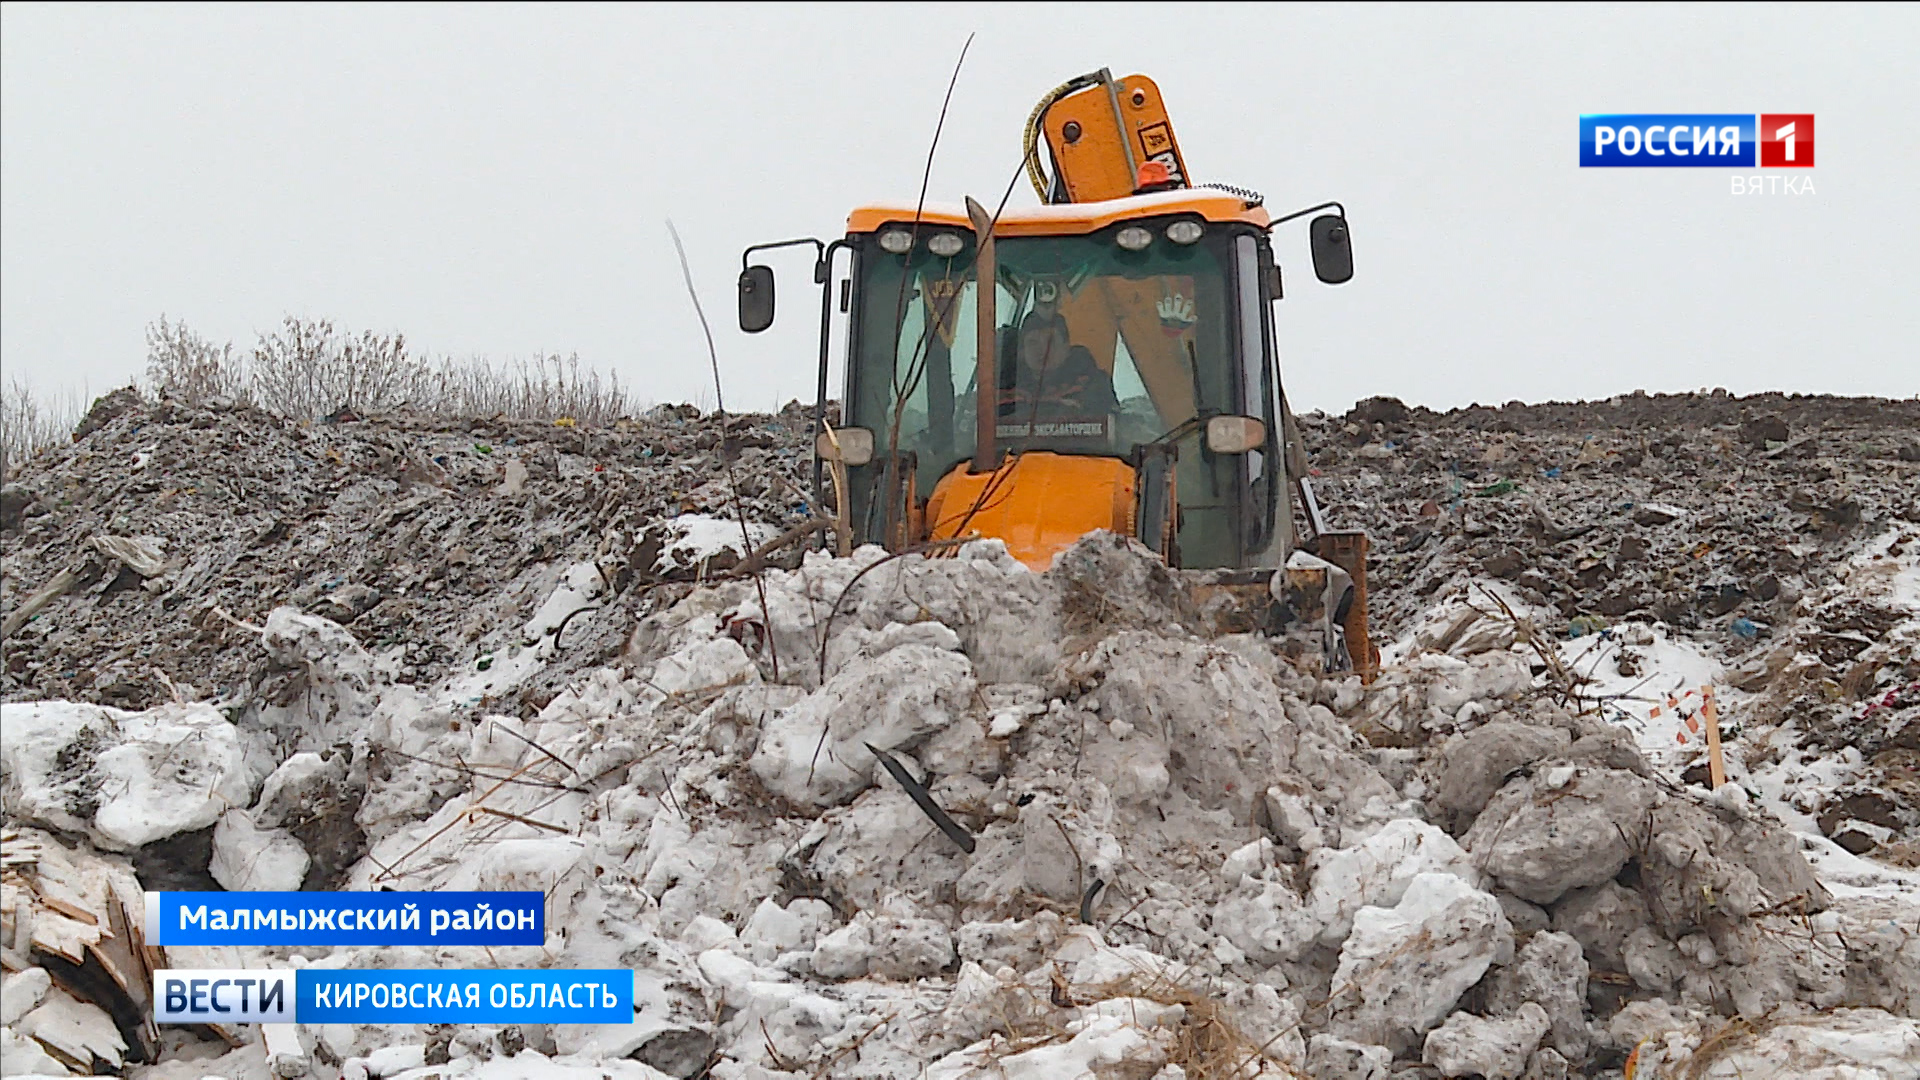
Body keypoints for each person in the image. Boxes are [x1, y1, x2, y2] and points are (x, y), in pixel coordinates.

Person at [1000, 310, 1118, 422]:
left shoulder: (1093, 384)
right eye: (1033, 342)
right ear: (1023, 351)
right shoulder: (1004, 388)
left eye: (1050, 342)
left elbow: (1109, 424)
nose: (1042, 350)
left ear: (1066, 348)